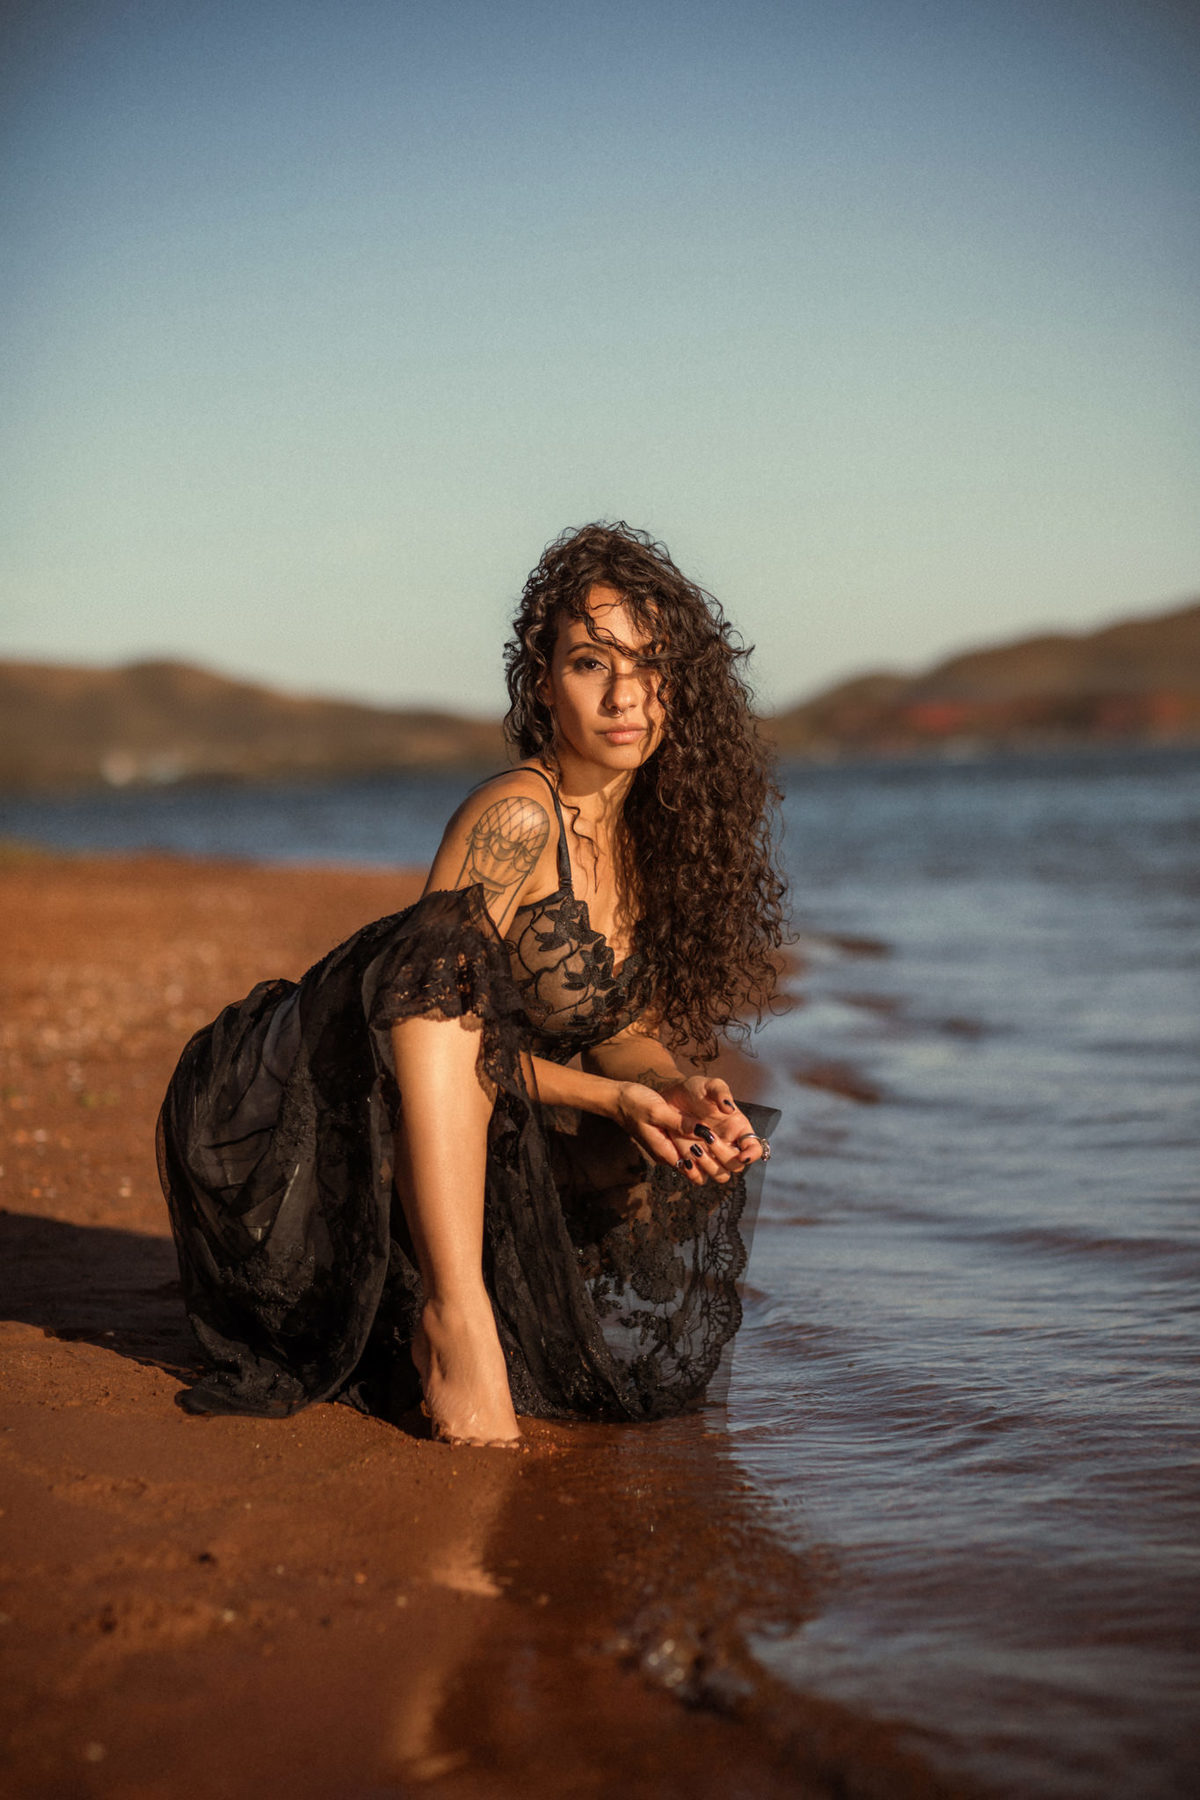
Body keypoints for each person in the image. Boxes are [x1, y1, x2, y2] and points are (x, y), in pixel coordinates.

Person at [157, 523, 787, 1447]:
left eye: (649, 664)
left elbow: (621, 1024)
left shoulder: (654, 836)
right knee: (449, 1009)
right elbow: (422, 1031)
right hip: (302, 1112)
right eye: (588, 662)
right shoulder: (517, 816)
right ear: (543, 682)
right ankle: (454, 1319)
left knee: (661, 1144)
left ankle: (459, 1301)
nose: (624, 694)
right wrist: (609, 1096)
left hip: (442, 1109)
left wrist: (666, 1089)